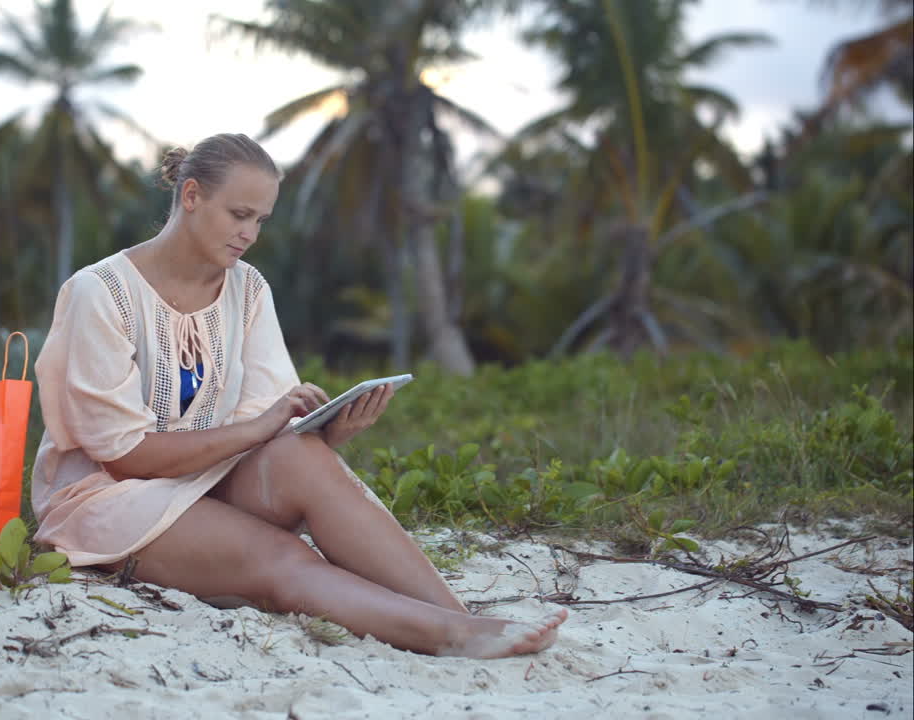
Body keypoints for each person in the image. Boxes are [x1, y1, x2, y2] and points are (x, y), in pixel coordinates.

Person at [31, 133, 566, 658]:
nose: (250, 234)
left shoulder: (247, 287)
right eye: (239, 214)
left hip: (204, 480)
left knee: (303, 454)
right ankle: (447, 636)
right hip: (108, 498)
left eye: (260, 220)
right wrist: (259, 428)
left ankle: (465, 619)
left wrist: (330, 431)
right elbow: (125, 456)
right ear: (191, 196)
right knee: (282, 554)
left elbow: (267, 424)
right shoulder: (99, 292)